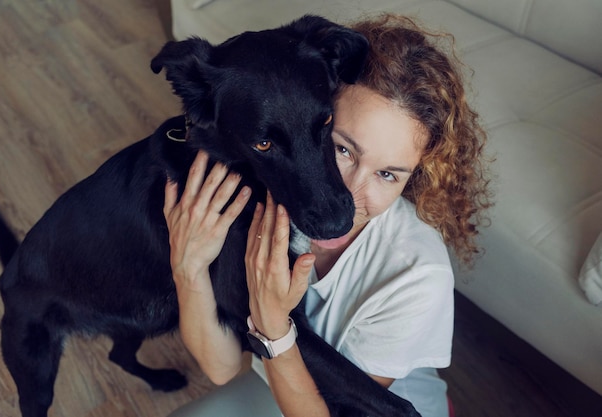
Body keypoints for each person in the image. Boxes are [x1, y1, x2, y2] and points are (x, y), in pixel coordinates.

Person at [163, 13, 492, 417]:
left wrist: (274, 326)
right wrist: (188, 267)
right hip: (279, 373)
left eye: (388, 174)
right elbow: (222, 366)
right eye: (342, 149)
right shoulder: (253, 199)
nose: (348, 198)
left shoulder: (418, 276)